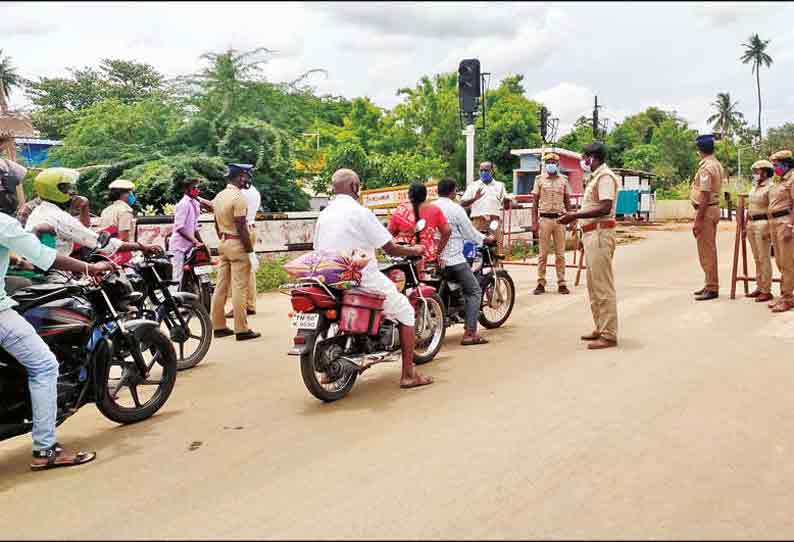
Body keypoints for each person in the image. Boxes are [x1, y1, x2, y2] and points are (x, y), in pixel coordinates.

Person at [0, 158, 114, 471]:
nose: (16, 194)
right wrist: (91, 267)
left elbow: (16, 255)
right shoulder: (7, 221)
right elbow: (48, 258)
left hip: (19, 284)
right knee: (44, 365)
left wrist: (20, 263)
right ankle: (45, 449)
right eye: (13, 188)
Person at [314, 168, 433, 389]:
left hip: (328, 278)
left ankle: (332, 371)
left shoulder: (324, 214)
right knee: (406, 311)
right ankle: (409, 375)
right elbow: (391, 247)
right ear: (354, 187)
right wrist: (415, 250)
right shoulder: (360, 212)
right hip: (360, 278)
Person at [24, 168, 160, 267]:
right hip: (57, 271)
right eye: (67, 189)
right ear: (56, 191)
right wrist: (142, 246)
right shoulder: (58, 217)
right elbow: (100, 243)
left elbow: (83, 230)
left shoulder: (41, 211)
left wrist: (84, 207)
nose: (73, 193)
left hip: (56, 264)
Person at [558, 142, 619, 350]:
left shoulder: (605, 177)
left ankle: (609, 334)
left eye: (585, 157)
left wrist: (574, 215)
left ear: (593, 157)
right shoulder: (595, 178)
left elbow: (605, 206)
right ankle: (601, 327)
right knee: (594, 286)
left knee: (603, 286)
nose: (583, 161)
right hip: (592, 234)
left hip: (601, 233)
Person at [434, 177, 491, 346]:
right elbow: (470, 233)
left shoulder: (430, 207)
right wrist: (485, 239)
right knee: (474, 292)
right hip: (452, 259)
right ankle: (470, 333)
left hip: (433, 259)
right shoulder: (455, 209)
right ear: (452, 192)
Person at [210, 164, 260, 341]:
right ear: (239, 177)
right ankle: (241, 329)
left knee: (221, 286)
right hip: (238, 245)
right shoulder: (239, 198)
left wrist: (223, 238)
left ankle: (218, 326)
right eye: (246, 176)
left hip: (223, 243)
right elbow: (241, 226)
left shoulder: (219, 196)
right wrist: (250, 251)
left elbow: (216, 223)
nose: (247, 180)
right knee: (240, 287)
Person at [387, 182, 451, 276]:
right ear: (425, 195)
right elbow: (447, 231)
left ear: (409, 195)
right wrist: (438, 251)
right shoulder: (435, 210)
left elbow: (389, 233)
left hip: (403, 257)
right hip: (426, 256)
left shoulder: (401, 210)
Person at [690, 134, 725, 301]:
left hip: (706, 211)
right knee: (709, 249)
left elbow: (704, 194)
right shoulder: (716, 164)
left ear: (699, 150)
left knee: (706, 251)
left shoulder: (706, 167)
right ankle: (710, 283)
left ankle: (712, 287)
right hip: (713, 209)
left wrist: (698, 220)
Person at [532, 152, 572, 295]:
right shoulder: (539, 180)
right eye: (547, 162)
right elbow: (535, 202)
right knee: (543, 254)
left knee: (560, 254)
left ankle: (561, 283)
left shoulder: (564, 180)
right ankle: (541, 282)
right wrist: (534, 222)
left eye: (553, 162)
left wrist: (572, 219)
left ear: (557, 164)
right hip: (544, 219)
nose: (550, 164)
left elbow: (568, 201)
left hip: (560, 219)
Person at [168, 178, 213, 293]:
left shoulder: (195, 203)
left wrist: (200, 243)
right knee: (176, 277)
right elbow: (180, 228)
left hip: (190, 246)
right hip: (179, 246)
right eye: (194, 188)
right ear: (186, 189)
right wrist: (195, 241)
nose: (197, 190)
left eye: (197, 188)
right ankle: (171, 304)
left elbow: (194, 227)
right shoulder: (183, 204)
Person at [225, 179, 260, 317]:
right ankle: (249, 304)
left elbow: (236, 217)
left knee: (238, 273)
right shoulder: (253, 191)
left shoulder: (240, 194)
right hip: (250, 228)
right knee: (248, 269)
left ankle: (240, 307)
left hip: (241, 232)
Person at [767, 150, 794, 312]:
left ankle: (788, 298)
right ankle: (785, 295)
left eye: (776, 165)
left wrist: (790, 226)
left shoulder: (792, 179)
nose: (775, 168)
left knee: (787, 262)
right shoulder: (781, 180)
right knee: (779, 261)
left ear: (786, 164)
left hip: (785, 222)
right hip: (775, 222)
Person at [744, 160, 775, 303]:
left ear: (765, 171)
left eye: (757, 171)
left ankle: (766, 290)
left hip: (763, 223)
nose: (755, 173)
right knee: (757, 259)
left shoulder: (771, 187)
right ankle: (760, 286)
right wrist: (745, 225)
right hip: (751, 222)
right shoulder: (755, 186)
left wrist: (769, 228)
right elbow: (749, 206)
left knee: (764, 258)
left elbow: (772, 209)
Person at [460, 162, 511, 244]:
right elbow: (462, 203)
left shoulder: (500, 186)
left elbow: (506, 207)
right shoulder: (473, 186)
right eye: (481, 170)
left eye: (486, 170)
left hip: (494, 222)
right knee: (477, 248)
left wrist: (507, 201)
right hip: (478, 222)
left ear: (492, 171)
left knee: (495, 247)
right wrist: (474, 198)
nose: (483, 172)